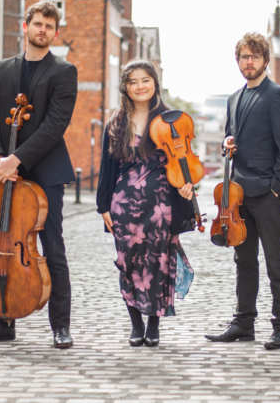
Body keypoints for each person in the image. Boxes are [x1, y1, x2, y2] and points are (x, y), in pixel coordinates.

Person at [0, 1, 78, 348]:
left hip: (45, 175)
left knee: (52, 247)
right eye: (37, 24)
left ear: (55, 32)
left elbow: (53, 127)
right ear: (25, 26)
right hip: (7, 174)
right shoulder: (4, 69)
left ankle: (60, 326)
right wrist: (0, 159)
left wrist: (15, 159)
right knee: (3, 243)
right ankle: (4, 320)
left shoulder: (64, 72)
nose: (42, 30)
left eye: (49, 26)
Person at [205, 32, 280, 350]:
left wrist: (276, 190)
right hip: (239, 197)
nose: (249, 61)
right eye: (244, 56)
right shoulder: (234, 98)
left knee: (275, 262)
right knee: (244, 262)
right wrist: (226, 144)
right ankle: (244, 323)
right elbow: (232, 141)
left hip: (267, 196)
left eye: (255, 56)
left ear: (265, 60)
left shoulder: (279, 95)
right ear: (238, 61)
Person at [96, 60, 196, 347]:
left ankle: (154, 323)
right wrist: (103, 206)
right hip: (123, 205)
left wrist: (188, 185)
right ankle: (136, 323)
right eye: (133, 81)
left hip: (161, 205)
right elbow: (107, 168)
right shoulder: (116, 122)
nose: (140, 86)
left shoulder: (171, 119)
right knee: (128, 264)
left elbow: (184, 161)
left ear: (155, 83)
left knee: (158, 263)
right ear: (125, 87)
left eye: (145, 80)